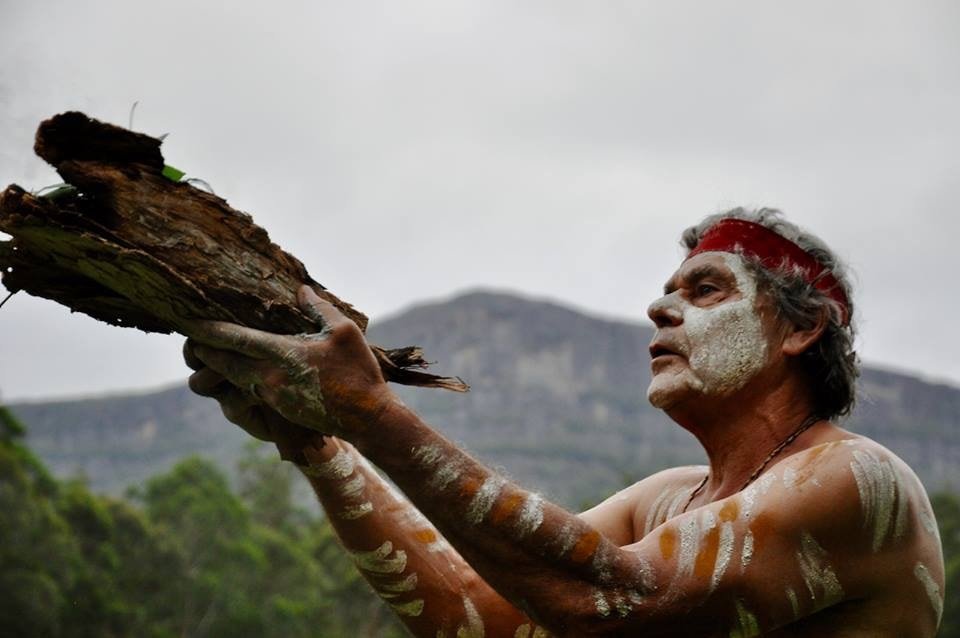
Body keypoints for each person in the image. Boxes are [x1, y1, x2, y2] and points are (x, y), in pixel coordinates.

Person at [184, 208, 945, 637]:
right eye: (668, 289)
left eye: (706, 289)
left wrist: (374, 416)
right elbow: (474, 617)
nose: (660, 307)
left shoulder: (855, 480)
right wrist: (322, 443)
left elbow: (613, 603)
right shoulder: (668, 499)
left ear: (800, 330)